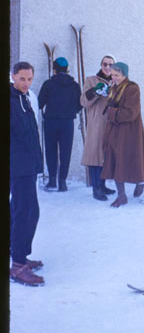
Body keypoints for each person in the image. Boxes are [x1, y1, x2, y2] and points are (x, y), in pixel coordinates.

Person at [10, 62, 45, 286]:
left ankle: (19, 254)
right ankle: (17, 265)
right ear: (13, 76)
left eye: (30, 79)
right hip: (17, 166)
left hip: (29, 164)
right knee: (27, 211)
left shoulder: (26, 98)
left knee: (22, 209)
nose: (26, 83)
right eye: (22, 78)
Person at [101, 62, 144, 207]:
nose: (114, 77)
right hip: (115, 130)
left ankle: (141, 181)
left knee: (131, 160)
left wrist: (112, 113)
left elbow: (131, 112)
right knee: (116, 160)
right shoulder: (114, 87)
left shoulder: (132, 88)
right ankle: (121, 196)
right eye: (112, 75)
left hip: (129, 131)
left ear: (124, 74)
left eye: (117, 75)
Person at [37, 57, 82, 191]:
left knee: (51, 150)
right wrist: (70, 111)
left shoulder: (48, 84)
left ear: (54, 69)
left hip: (51, 122)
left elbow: (39, 103)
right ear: (67, 69)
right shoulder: (74, 85)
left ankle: (52, 180)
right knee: (65, 152)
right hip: (67, 122)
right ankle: (62, 182)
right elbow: (80, 105)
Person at [81, 55, 117, 201]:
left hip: (110, 123)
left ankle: (102, 185)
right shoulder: (91, 80)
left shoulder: (116, 81)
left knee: (105, 156)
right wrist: (95, 91)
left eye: (110, 65)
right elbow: (83, 101)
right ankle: (95, 188)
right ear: (101, 65)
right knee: (95, 155)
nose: (107, 67)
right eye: (105, 64)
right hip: (96, 123)